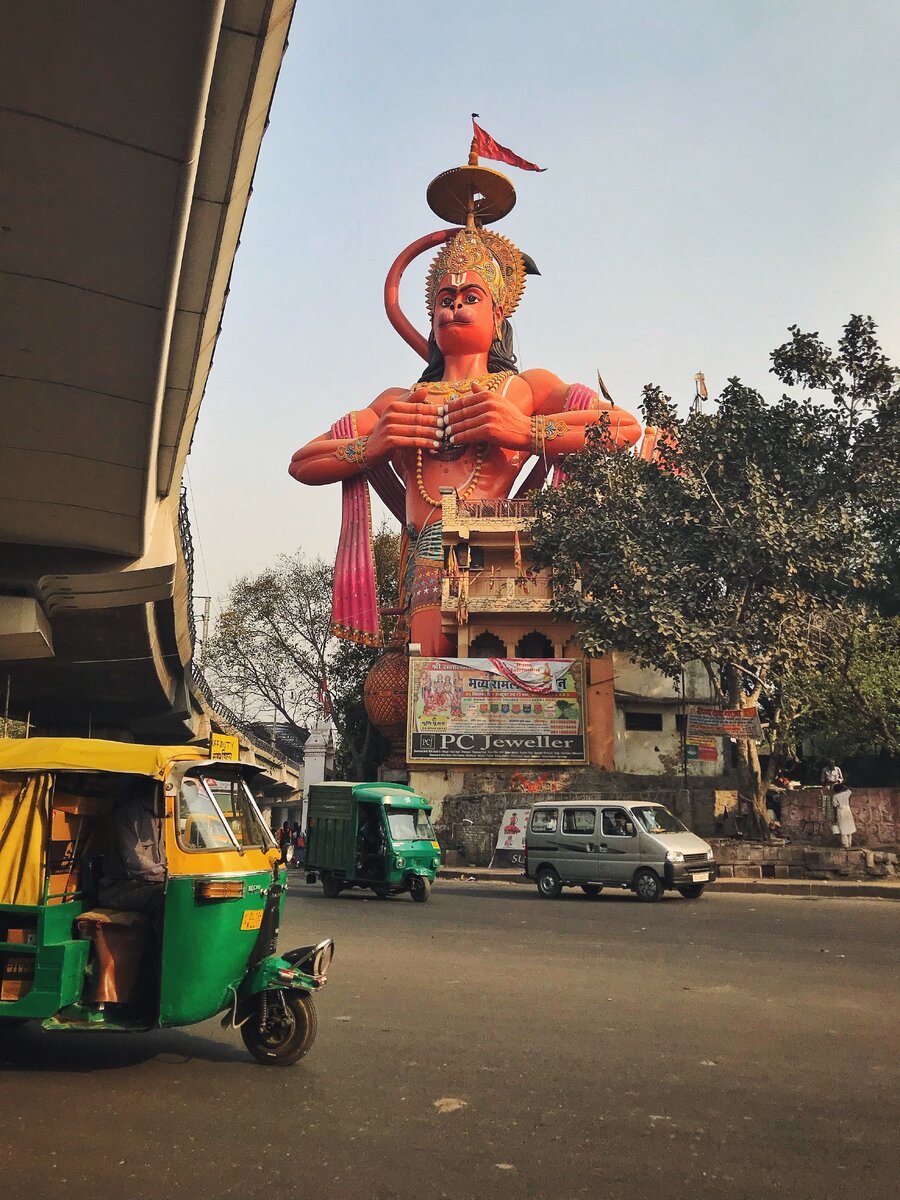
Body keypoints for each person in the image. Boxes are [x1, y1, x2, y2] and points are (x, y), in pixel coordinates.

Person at [289, 170, 643, 657]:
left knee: (514, 671)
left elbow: (623, 426)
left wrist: (525, 430)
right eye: (445, 299)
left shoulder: (524, 388)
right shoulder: (400, 401)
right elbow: (304, 461)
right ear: (431, 317)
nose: (454, 307)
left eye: (470, 298)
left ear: (499, 316)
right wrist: (372, 446)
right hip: (428, 553)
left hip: (502, 548)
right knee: (430, 674)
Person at [98, 778, 166, 921]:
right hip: (120, 888)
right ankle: (163, 944)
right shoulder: (128, 814)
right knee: (165, 899)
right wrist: (167, 875)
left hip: (149, 885)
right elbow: (134, 861)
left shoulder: (166, 815)